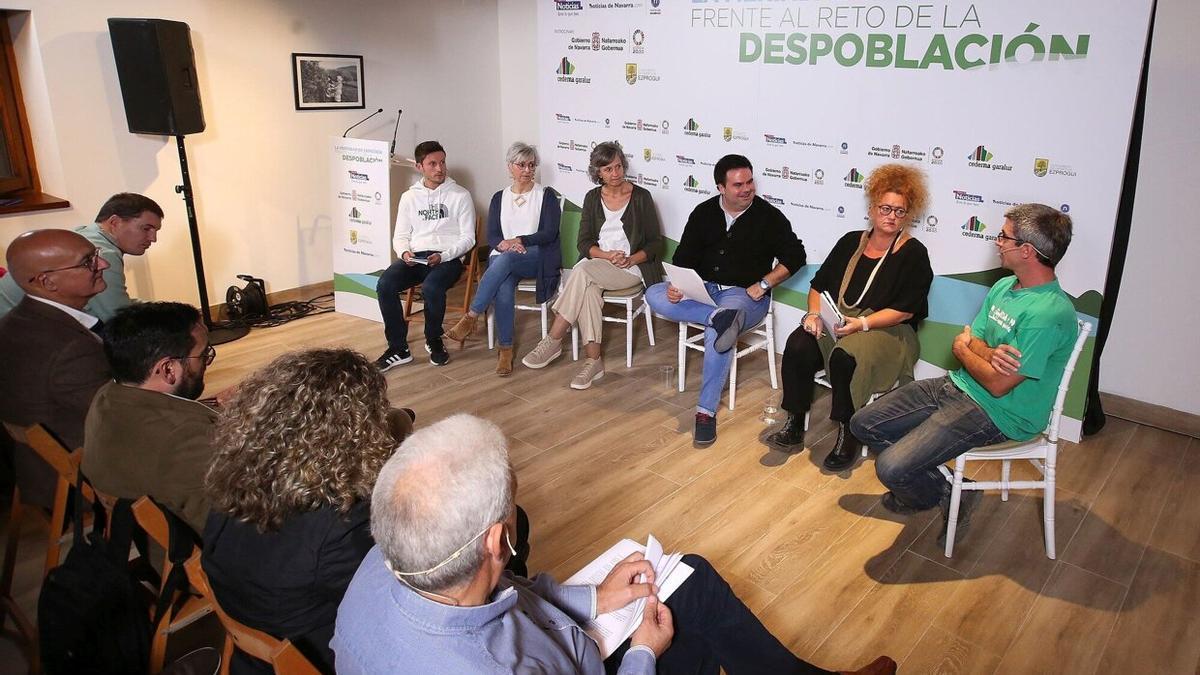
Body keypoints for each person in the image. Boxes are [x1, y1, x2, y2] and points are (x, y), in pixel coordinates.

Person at [332, 413, 893, 674]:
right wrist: (645, 653)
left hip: (557, 634)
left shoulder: (384, 560)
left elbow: (509, 594)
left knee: (685, 578)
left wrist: (595, 598)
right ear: (497, 541)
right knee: (683, 599)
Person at [850, 203, 1077, 544]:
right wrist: (980, 352)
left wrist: (963, 351)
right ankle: (949, 488)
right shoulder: (1005, 287)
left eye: (1004, 237)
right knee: (863, 424)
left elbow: (998, 383)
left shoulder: (1048, 313)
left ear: (1027, 251)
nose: (997, 242)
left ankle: (938, 492)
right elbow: (977, 339)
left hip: (1000, 413)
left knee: (892, 468)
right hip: (958, 386)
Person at [200, 349, 415, 674]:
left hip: (254, 643)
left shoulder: (235, 476)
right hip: (319, 655)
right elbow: (401, 607)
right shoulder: (341, 525)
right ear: (354, 431)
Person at [765, 164, 934, 470]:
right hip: (841, 323)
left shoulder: (914, 253)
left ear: (907, 215)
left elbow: (906, 310)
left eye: (899, 211)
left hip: (890, 332)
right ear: (872, 209)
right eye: (885, 208)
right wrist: (814, 315)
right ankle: (794, 422)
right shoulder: (850, 241)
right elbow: (818, 286)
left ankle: (849, 432)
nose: (891, 216)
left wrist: (863, 324)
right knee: (799, 343)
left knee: (846, 356)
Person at [645, 155, 806, 447]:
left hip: (744, 296)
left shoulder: (769, 217)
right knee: (654, 293)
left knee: (719, 331)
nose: (747, 189)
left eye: (750, 182)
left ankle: (705, 412)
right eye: (738, 185)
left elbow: (796, 257)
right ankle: (715, 317)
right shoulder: (703, 212)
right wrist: (678, 287)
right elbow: (683, 260)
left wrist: (764, 283)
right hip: (703, 292)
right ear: (721, 187)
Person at [520, 141, 664, 390]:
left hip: (630, 268)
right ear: (598, 172)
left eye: (618, 166)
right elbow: (584, 242)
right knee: (587, 288)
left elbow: (654, 244)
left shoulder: (641, 197)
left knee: (582, 271)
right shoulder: (592, 197)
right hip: (599, 263)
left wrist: (630, 259)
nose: (615, 173)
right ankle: (593, 361)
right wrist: (607, 256)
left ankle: (554, 338)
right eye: (608, 169)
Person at [82, 302, 218, 533]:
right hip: (195, 554)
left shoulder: (107, 396)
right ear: (167, 369)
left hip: (139, 539)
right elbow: (233, 526)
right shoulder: (185, 438)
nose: (207, 362)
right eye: (204, 354)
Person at [0, 229, 111, 508]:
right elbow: (120, 418)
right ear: (47, 281)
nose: (103, 265)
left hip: (37, 470)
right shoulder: (70, 348)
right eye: (88, 261)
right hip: (80, 480)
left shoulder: (14, 323)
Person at [444, 142, 561, 376]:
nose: (527, 170)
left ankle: (471, 316)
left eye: (531, 165)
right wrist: (503, 245)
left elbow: (549, 233)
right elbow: (494, 234)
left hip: (536, 256)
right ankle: (505, 350)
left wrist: (519, 241)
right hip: (507, 257)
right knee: (503, 286)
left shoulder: (545, 196)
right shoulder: (500, 197)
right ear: (510, 167)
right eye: (521, 165)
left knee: (504, 261)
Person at [375, 141, 476, 370]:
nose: (439, 168)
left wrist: (445, 255)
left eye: (442, 162)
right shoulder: (409, 197)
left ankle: (433, 339)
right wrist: (404, 252)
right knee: (385, 284)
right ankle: (398, 348)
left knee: (431, 288)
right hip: (416, 258)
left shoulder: (460, 195)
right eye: (432, 164)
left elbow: (468, 238)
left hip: (447, 258)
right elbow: (400, 235)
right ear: (420, 167)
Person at [0, 193, 164, 320]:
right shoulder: (102, 253)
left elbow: (115, 306)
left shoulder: (85, 234)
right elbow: (118, 320)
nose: (153, 238)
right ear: (114, 223)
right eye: (146, 229)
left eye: (155, 231)